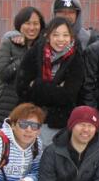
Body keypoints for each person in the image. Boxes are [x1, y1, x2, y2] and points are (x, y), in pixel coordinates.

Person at [16, 17, 84, 147]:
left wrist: (37, 85)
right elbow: (21, 87)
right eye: (56, 35)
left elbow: (69, 96)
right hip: (29, 119)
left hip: (57, 122)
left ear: (71, 37)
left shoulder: (76, 59)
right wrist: (56, 88)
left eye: (65, 35)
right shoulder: (36, 52)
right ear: (48, 36)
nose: (61, 39)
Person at [0, 7, 45, 132]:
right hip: (6, 106)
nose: (32, 28)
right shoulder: (10, 42)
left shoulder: (43, 48)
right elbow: (3, 73)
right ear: (19, 24)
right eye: (27, 23)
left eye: (35, 23)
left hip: (30, 108)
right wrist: (25, 55)